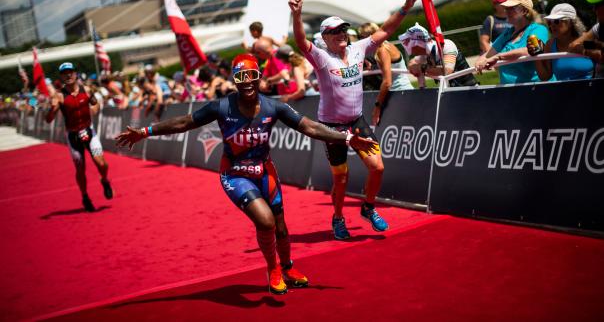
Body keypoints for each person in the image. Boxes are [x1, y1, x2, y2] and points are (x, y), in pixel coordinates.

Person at [115, 54, 378, 295]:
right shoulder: (221, 107)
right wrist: (146, 132)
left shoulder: (273, 107)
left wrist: (347, 139)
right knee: (266, 223)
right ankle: (272, 268)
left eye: (252, 76)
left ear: (259, 78)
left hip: (265, 171)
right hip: (234, 175)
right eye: (241, 78)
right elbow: (184, 122)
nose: (247, 82)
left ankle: (287, 266)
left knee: (282, 227)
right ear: (234, 81)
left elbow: (309, 127)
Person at [289, 0, 417, 240]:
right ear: (325, 37)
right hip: (331, 128)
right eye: (335, 31)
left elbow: (386, 30)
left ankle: (368, 208)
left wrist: (405, 7)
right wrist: (297, 14)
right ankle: (338, 218)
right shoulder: (323, 57)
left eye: (344, 29)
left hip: (356, 120)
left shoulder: (358, 49)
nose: (341, 34)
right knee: (341, 179)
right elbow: (302, 42)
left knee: (377, 167)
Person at [45, 62, 113, 212]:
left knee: (101, 163)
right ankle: (85, 196)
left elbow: (96, 104)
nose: (68, 75)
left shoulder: (86, 90)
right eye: (64, 73)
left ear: (75, 73)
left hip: (89, 131)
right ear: (61, 76)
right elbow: (48, 119)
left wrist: (93, 111)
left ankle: (105, 180)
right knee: (80, 169)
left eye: (70, 72)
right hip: (73, 136)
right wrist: (52, 109)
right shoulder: (59, 96)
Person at [475, 0, 549, 84]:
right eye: (506, 8)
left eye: (511, 8)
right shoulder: (508, 32)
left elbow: (531, 49)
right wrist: (480, 60)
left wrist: (498, 57)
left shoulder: (538, 29)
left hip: (535, 89)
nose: (506, 11)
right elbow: (489, 54)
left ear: (525, 11)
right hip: (509, 92)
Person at [358, 22, 413, 126]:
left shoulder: (382, 50)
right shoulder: (383, 45)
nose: (360, 40)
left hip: (400, 93)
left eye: (362, 37)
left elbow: (387, 82)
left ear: (371, 36)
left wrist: (377, 106)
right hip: (399, 93)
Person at [403, 23, 477, 88]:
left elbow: (447, 70)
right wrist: (414, 67)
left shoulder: (447, 45)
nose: (409, 49)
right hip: (449, 93)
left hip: (468, 90)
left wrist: (422, 68)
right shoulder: (425, 53)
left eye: (410, 44)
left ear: (418, 43)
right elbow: (412, 63)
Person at [532, 3, 592, 81]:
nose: (552, 25)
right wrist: (536, 55)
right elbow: (545, 77)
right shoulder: (550, 45)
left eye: (556, 21)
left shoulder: (587, 39)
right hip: (563, 91)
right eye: (550, 22)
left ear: (570, 22)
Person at [568, 0, 604, 75]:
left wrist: (586, 49)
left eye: (597, 5)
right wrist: (597, 46)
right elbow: (573, 46)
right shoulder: (599, 27)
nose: (594, 9)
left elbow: (602, 57)